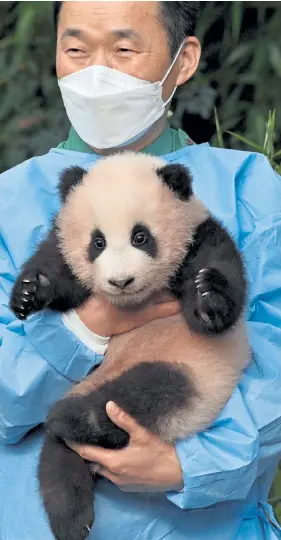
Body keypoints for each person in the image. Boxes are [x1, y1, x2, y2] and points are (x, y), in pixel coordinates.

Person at [0, 2, 281, 539]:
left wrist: (192, 466)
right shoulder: (11, 201)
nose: (96, 72)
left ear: (183, 59)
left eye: (124, 49)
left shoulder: (248, 191)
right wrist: (90, 324)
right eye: (76, 49)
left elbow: (276, 363)